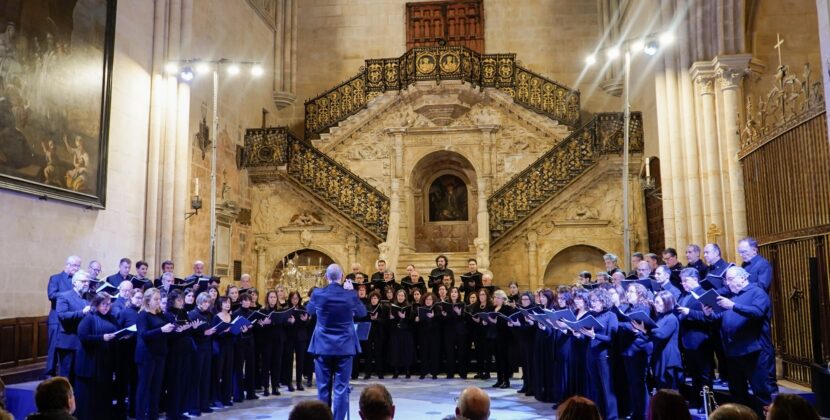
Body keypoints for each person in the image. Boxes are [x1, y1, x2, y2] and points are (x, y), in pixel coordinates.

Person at [703, 266, 772, 415]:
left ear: (743, 277)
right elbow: (721, 317)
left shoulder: (757, 292)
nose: (728, 283)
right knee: (737, 392)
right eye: (726, 280)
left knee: (760, 392)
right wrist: (708, 314)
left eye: (730, 279)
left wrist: (733, 306)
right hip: (733, 352)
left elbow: (757, 313)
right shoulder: (733, 297)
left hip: (753, 351)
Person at [306, 264, 368, 420]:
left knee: (323, 389)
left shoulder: (318, 293)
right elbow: (362, 312)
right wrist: (350, 291)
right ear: (342, 277)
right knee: (341, 389)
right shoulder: (350, 294)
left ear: (326, 277)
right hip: (344, 347)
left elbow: (309, 310)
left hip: (322, 347)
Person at [74, 293, 119, 420]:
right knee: (89, 398)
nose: (107, 307)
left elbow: (117, 330)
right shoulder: (89, 318)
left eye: (109, 304)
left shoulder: (111, 318)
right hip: (90, 362)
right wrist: (102, 338)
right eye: (104, 304)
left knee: (103, 395)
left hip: (105, 362)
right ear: (97, 304)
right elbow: (83, 337)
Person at [135, 288, 176, 420]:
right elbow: (143, 334)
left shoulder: (160, 314)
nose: (159, 302)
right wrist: (161, 330)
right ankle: (140, 416)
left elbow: (167, 329)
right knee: (144, 388)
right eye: (156, 299)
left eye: (159, 299)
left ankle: (153, 416)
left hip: (160, 354)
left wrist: (176, 328)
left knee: (156, 388)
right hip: (147, 355)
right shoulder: (143, 315)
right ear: (147, 300)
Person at [675, 268, 713, 407]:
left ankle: (706, 405)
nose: (683, 283)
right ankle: (696, 401)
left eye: (686, 280)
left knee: (704, 375)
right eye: (682, 281)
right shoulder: (684, 295)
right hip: (687, 340)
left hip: (701, 339)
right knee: (694, 374)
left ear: (695, 279)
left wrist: (689, 312)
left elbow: (709, 317)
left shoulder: (704, 294)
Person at [47, 256, 81, 377]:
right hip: (56, 319)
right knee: (53, 348)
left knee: (66, 352)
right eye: (75, 265)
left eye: (78, 266)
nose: (77, 268)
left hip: (70, 320)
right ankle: (49, 374)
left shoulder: (76, 280)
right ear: (67, 265)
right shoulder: (56, 278)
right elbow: (51, 295)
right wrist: (70, 294)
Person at [55, 270, 93, 383]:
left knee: (80, 376)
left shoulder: (89, 297)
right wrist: (82, 312)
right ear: (75, 282)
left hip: (84, 342)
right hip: (69, 341)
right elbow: (62, 315)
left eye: (88, 281)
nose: (87, 284)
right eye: (84, 281)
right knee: (67, 376)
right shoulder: (64, 296)